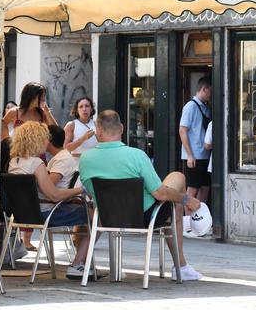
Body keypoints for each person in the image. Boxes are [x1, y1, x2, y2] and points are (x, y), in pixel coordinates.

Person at [80, 110, 204, 281]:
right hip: (144, 217)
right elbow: (160, 193)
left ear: (98, 131)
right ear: (122, 128)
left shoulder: (86, 159)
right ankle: (181, 265)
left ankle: (181, 257)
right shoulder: (137, 156)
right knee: (177, 181)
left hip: (107, 217)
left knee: (170, 198)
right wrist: (187, 198)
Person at [7, 122, 90, 278]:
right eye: (44, 138)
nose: (47, 141)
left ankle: (83, 263)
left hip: (21, 215)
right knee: (93, 217)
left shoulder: (14, 163)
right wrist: (80, 190)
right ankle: (78, 263)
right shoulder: (36, 163)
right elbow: (54, 196)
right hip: (45, 214)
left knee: (84, 213)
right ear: (36, 139)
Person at [179, 78, 212, 208]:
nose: (211, 95)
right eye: (210, 91)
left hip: (205, 154)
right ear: (204, 89)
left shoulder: (205, 107)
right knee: (192, 189)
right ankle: (187, 222)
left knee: (205, 187)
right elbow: (182, 130)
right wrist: (189, 155)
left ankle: (199, 218)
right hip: (195, 156)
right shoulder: (190, 106)